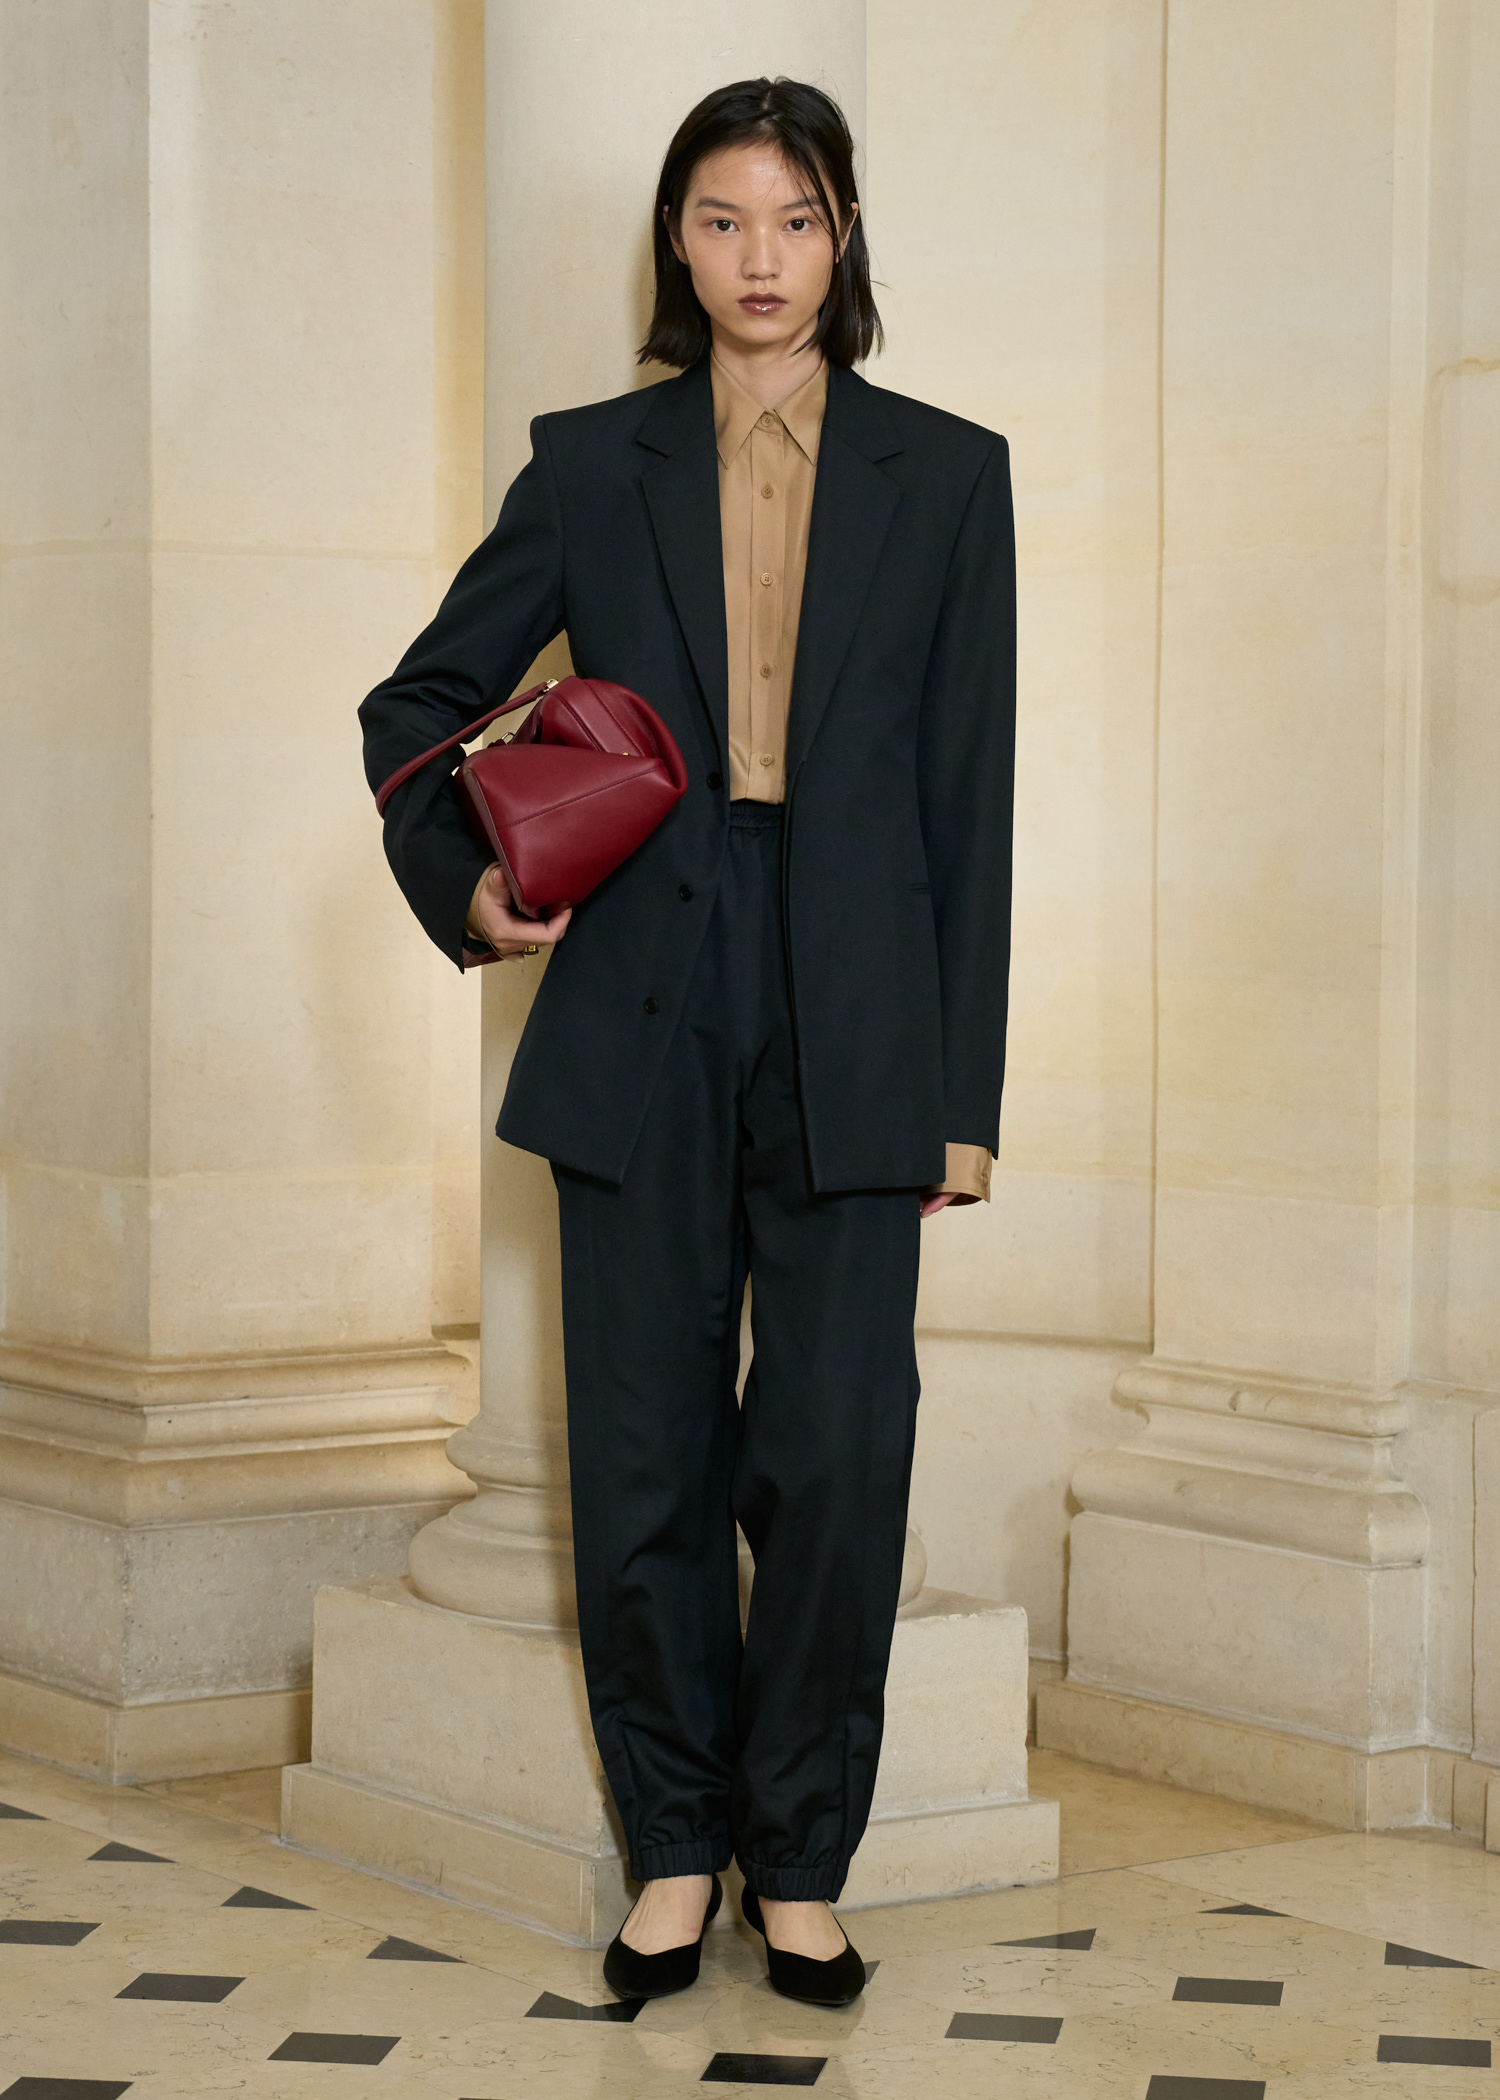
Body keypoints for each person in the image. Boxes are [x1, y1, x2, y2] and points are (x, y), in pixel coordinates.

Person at [359, 76, 1015, 2009]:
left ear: (843, 241)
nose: (759, 259)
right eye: (723, 220)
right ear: (677, 241)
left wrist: (960, 1101)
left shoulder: (948, 474)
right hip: (643, 989)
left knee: (836, 1448)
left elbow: (970, 805)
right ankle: (669, 1852)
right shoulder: (590, 465)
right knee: (640, 1451)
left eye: (795, 220)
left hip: (861, 1013)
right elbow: (423, 702)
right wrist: (463, 883)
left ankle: (797, 1859)